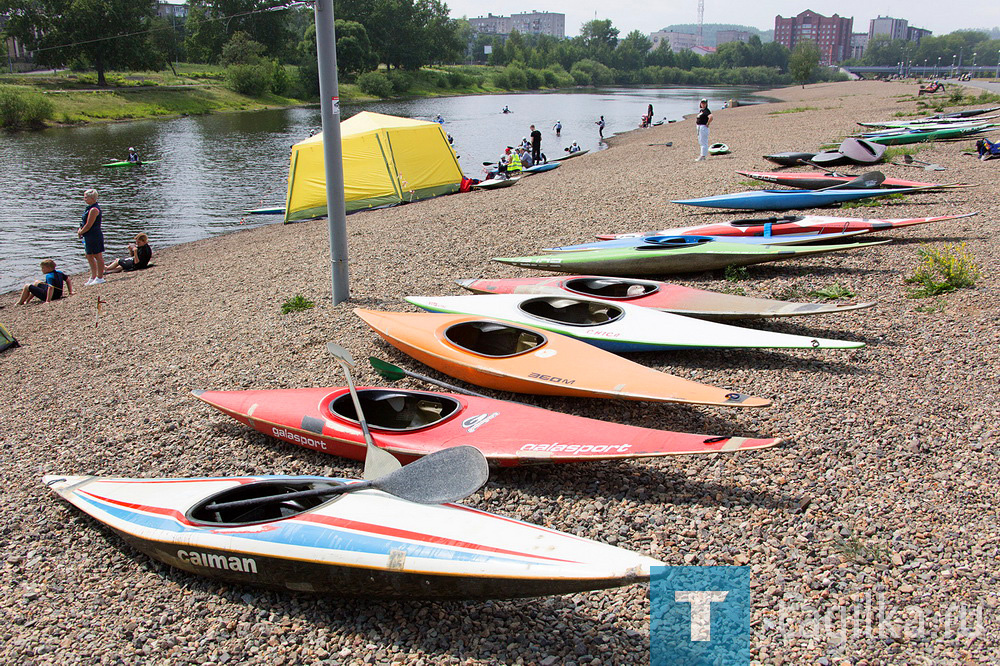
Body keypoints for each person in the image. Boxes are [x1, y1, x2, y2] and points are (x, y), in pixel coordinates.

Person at [78, 188, 105, 284]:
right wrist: (80, 230)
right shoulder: (89, 208)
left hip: (94, 235)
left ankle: (100, 277)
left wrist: (81, 232)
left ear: (92, 198)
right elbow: (84, 222)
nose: (84, 199)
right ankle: (93, 276)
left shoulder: (94, 209)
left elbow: (89, 224)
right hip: (88, 235)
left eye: (86, 197)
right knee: (88, 255)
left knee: (97, 255)